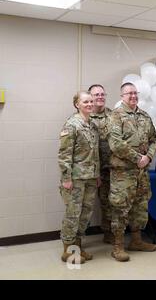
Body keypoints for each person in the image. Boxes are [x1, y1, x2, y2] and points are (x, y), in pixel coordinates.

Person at [108, 82, 156, 262]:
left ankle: (136, 241)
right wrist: (138, 158)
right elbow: (115, 143)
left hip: (141, 172)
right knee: (121, 208)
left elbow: (154, 140)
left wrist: (149, 157)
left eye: (135, 93)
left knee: (140, 207)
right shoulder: (116, 116)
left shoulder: (144, 116)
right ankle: (118, 246)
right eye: (129, 93)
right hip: (123, 173)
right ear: (122, 96)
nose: (133, 96)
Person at [58, 91, 100, 264]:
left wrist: (97, 175)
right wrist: (66, 178)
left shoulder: (92, 125)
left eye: (91, 101)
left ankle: (78, 247)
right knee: (73, 214)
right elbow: (64, 155)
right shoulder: (72, 125)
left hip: (90, 177)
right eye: (85, 101)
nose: (89, 104)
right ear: (77, 104)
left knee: (85, 214)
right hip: (75, 179)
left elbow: (95, 153)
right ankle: (68, 250)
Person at [88, 84, 113, 244]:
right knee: (86, 204)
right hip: (90, 170)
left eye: (102, 94)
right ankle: (77, 239)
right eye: (96, 94)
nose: (100, 97)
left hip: (110, 167)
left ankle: (109, 232)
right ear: (90, 97)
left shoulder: (113, 115)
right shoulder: (85, 116)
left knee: (109, 202)